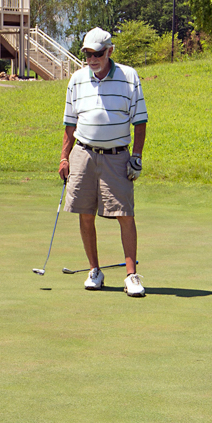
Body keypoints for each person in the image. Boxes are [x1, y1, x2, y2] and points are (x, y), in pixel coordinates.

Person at [58, 27, 148, 297]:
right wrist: (64, 157)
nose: (92, 59)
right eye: (87, 54)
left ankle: (131, 275)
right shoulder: (76, 79)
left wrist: (137, 156)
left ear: (110, 51)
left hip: (117, 155)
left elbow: (140, 121)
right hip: (83, 154)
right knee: (85, 214)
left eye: (97, 53)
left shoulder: (128, 76)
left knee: (125, 215)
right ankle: (94, 270)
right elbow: (69, 123)